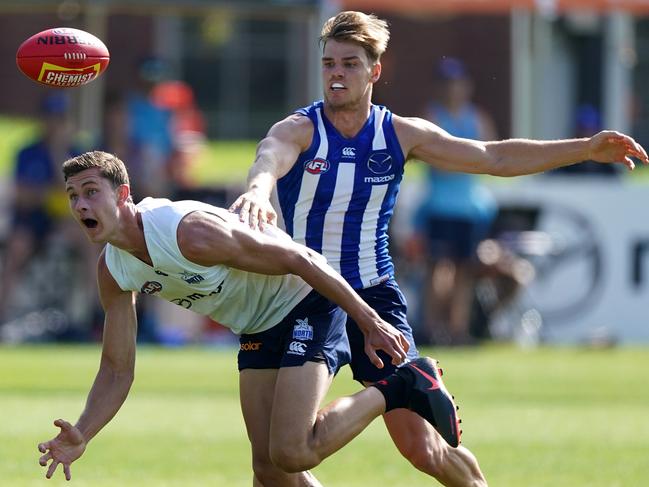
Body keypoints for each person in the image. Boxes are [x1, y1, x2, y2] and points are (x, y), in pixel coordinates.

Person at [229, 11, 648, 487]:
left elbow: (494, 157)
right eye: (329, 64)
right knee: (270, 465)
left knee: (423, 448)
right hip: (299, 294)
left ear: (375, 71)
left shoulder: (400, 134)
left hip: (373, 296)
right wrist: (259, 191)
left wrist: (585, 149)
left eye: (349, 63)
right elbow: (269, 158)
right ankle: (402, 385)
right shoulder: (300, 129)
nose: (336, 74)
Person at [37, 151, 461, 484]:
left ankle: (405, 383)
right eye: (73, 195)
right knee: (272, 473)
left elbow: (303, 258)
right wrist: (84, 431)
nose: (80, 204)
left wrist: (369, 321)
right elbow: (116, 369)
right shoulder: (113, 269)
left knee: (294, 451)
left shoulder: (188, 232)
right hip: (258, 328)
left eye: (91, 191)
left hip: (305, 303)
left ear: (123, 194)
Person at [411, 57, 499, 345]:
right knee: (437, 267)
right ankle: (432, 327)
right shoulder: (432, 116)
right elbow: (437, 160)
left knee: (464, 270)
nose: (453, 90)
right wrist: (465, 161)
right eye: (447, 84)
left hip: (469, 208)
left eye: (457, 83)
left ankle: (458, 328)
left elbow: (492, 155)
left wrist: (458, 161)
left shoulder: (477, 118)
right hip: (439, 205)